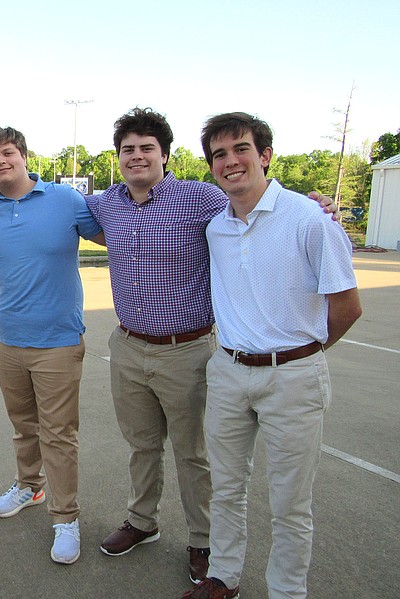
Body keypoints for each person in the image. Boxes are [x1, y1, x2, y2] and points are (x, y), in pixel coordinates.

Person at [86, 108, 340, 584]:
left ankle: (203, 541)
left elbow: (256, 199)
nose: (136, 157)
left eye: (147, 148)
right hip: (128, 345)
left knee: (192, 453)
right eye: (127, 150)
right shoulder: (105, 204)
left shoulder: (203, 199)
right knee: (141, 445)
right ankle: (142, 521)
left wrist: (317, 203)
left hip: (187, 349)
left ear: (166, 155)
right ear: (117, 157)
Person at [181, 112, 361, 599]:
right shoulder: (215, 226)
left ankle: (286, 592)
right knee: (227, 487)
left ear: (264, 156)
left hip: (294, 376)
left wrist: (303, 356)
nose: (230, 161)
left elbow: (347, 307)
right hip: (229, 371)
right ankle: (224, 577)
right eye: (219, 154)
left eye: (240, 149)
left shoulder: (310, 220)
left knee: (290, 502)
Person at [0, 127, 103, 565]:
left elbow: (115, 235)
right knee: (23, 425)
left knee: (58, 434)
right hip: (8, 339)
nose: (0, 162)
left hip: (58, 341)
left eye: (8, 153)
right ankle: (29, 486)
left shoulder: (65, 200)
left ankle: (66, 517)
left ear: (24, 156)